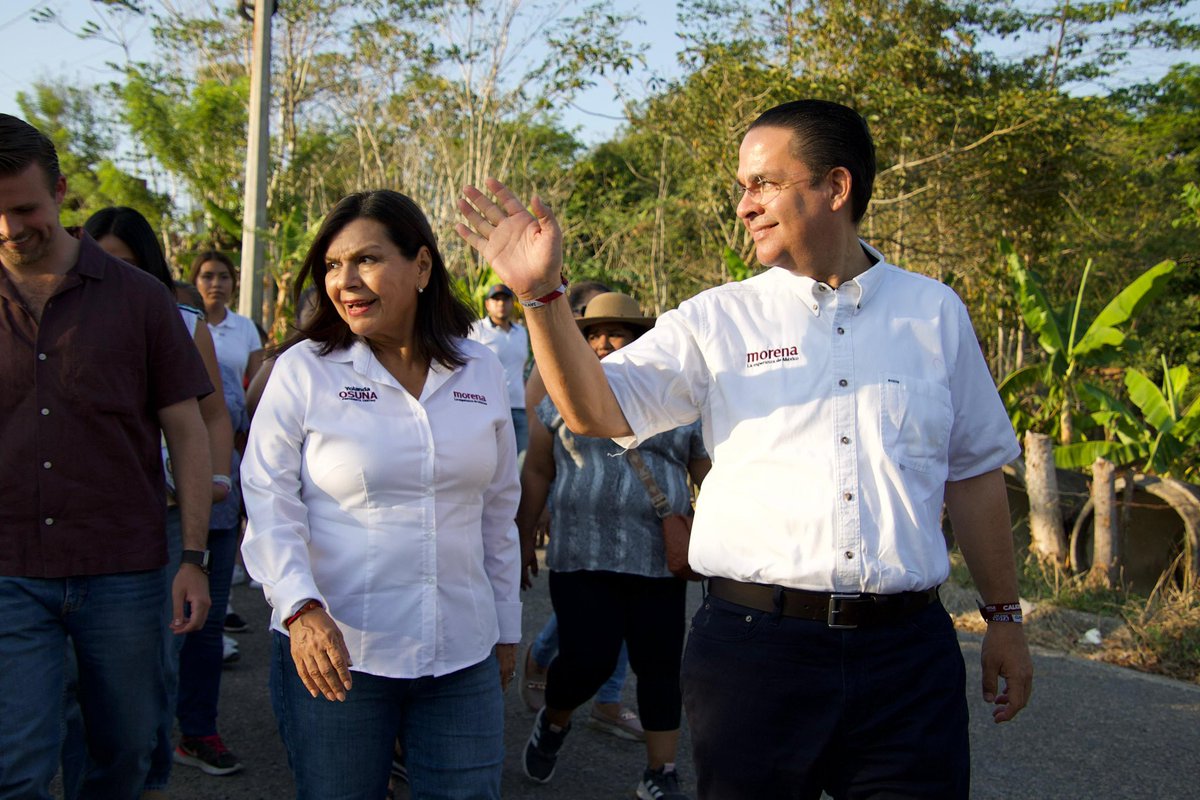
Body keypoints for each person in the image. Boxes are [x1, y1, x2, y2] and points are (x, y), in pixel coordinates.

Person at [456, 98, 1034, 799]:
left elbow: (972, 473)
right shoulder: (718, 318)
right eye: (742, 188)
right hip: (757, 655)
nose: (744, 205)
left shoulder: (933, 312)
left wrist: (1004, 618)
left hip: (907, 657)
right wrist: (542, 295)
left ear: (836, 187)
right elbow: (591, 410)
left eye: (763, 183)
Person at [240, 189, 521, 800]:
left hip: (463, 652)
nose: (346, 282)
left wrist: (506, 627)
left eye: (367, 260)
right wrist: (299, 607)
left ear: (421, 267)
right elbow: (267, 498)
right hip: (337, 656)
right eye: (333, 267)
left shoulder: (480, 370)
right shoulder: (305, 370)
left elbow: (497, 513)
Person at [0, 113, 213, 798]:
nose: (9, 229)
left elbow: (187, 427)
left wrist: (193, 558)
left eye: (24, 209)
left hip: (123, 571)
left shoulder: (141, 299)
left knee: (124, 755)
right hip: (8, 574)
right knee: (18, 766)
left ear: (61, 191)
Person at [515, 291, 710, 798]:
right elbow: (537, 470)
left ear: (639, 339)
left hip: (657, 559)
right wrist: (520, 539)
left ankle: (659, 774)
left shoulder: (676, 398)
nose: (603, 343)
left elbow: (706, 472)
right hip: (582, 555)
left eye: (616, 332)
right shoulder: (561, 395)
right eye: (593, 334)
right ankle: (555, 723)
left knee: (660, 664)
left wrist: (726, 535)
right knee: (588, 659)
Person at [81, 205, 244, 790]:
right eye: (96, 259)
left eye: (122, 262)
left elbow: (211, 414)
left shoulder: (177, 320)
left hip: (171, 514)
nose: (104, 273)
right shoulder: (56, 316)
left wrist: (213, 481)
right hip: (89, 521)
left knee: (159, 662)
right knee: (94, 677)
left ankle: (158, 756)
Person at [468, 282, 530, 456]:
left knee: (520, 462)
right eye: (496, 300)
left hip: (519, 406)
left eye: (505, 299)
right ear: (487, 304)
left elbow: (522, 366)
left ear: (512, 303)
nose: (501, 304)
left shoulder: (521, 332)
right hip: (488, 406)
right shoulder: (476, 329)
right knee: (490, 460)